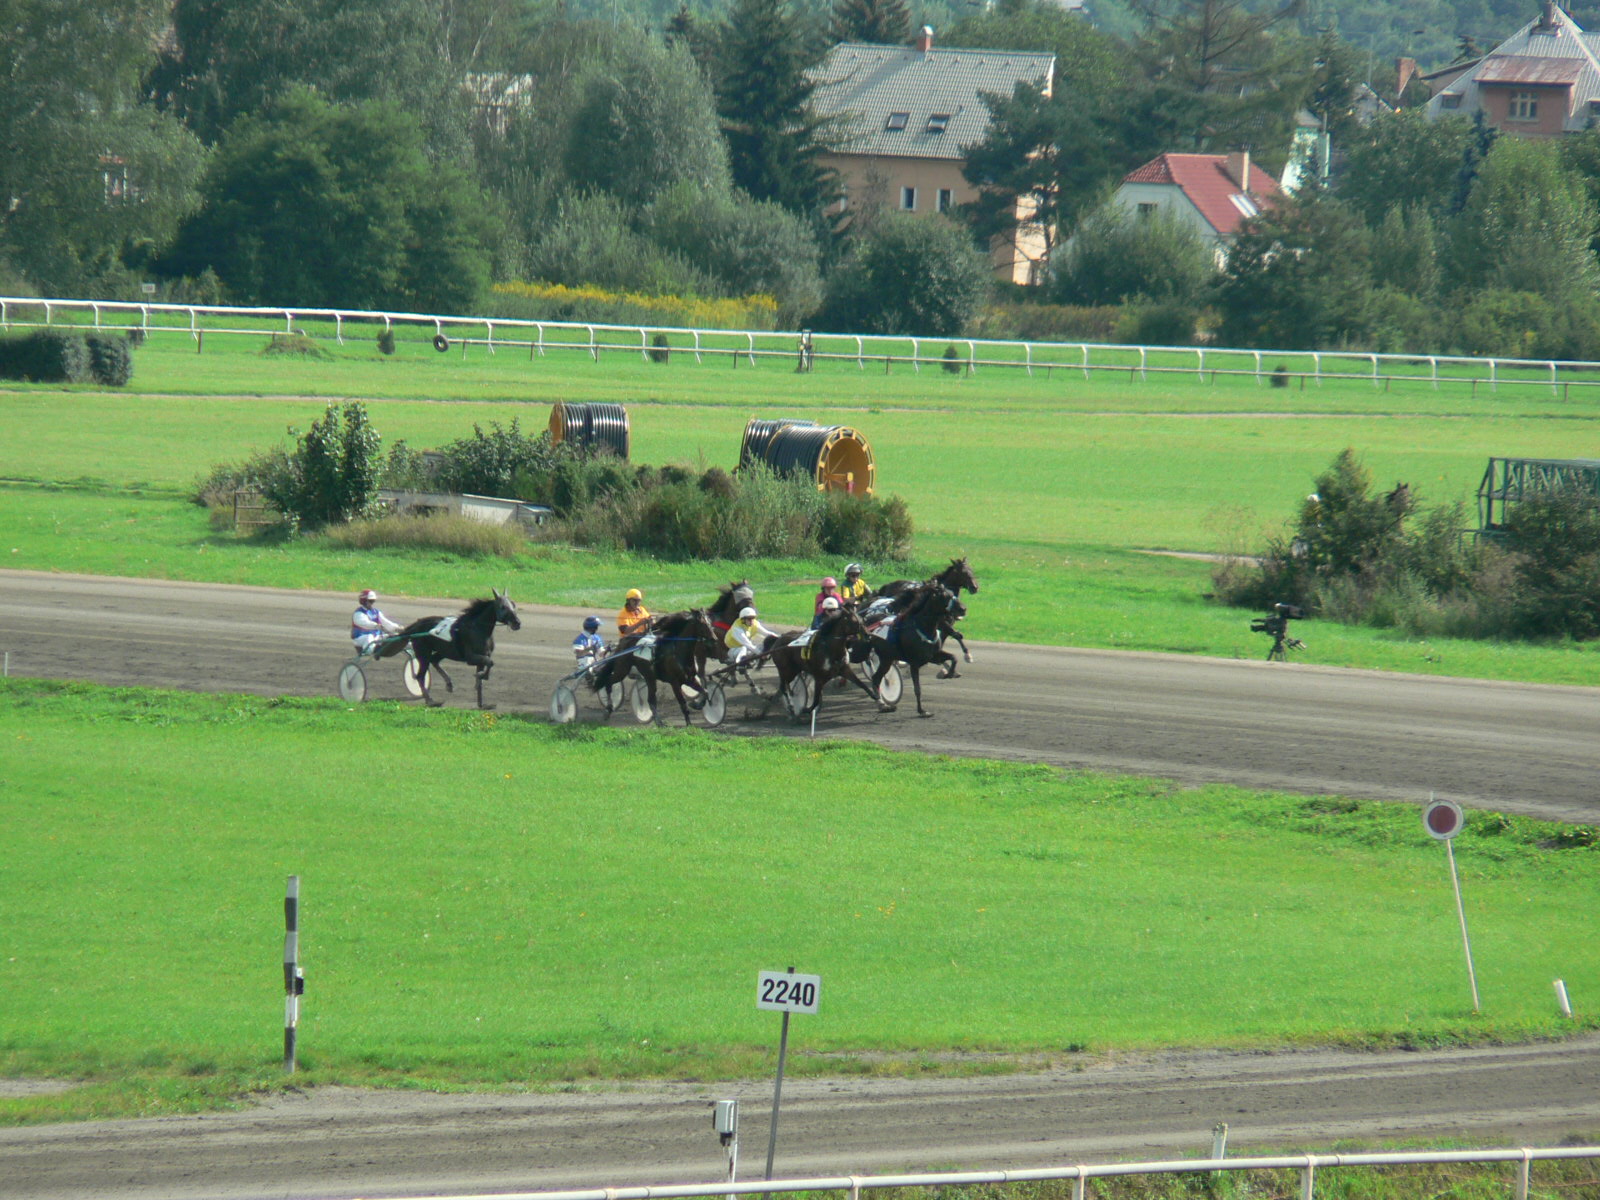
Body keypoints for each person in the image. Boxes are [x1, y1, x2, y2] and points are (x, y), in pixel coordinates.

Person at [351, 589, 402, 654]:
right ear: (364, 601)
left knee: (393, 637)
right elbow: (365, 623)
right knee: (369, 637)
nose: (372, 603)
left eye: (373, 601)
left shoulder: (376, 612)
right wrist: (376, 626)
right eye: (370, 601)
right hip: (360, 638)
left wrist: (397, 628)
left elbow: (386, 623)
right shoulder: (359, 613)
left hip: (376, 637)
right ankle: (369, 651)